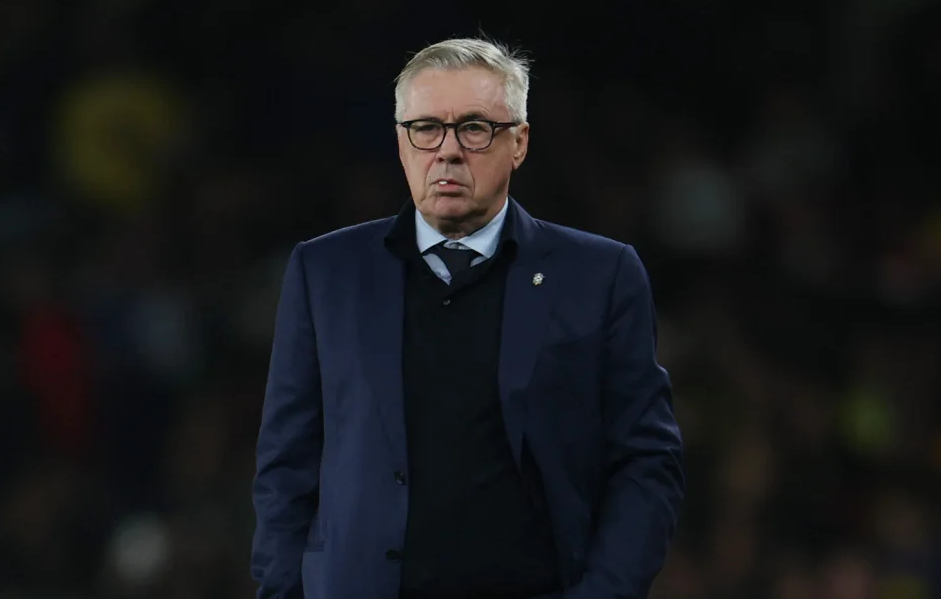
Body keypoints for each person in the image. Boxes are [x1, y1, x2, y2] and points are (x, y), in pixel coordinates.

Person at [251, 37, 684, 599]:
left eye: (475, 128)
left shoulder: (601, 274)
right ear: (401, 143)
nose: (448, 151)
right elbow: (286, 464)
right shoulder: (326, 270)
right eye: (426, 127)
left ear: (519, 142)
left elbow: (646, 462)